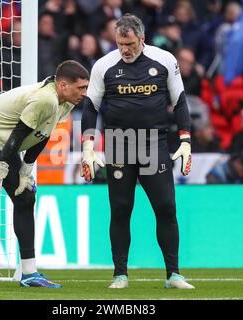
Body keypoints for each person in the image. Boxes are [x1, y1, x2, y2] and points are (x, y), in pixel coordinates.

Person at [79, 14, 194, 289]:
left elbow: (179, 102)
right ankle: (120, 275)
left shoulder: (165, 60)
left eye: (129, 43)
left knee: (166, 208)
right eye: (120, 43)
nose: (124, 49)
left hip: (154, 143)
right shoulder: (103, 65)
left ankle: (173, 275)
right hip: (119, 143)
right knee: (120, 210)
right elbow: (90, 107)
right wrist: (87, 147)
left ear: (142, 39)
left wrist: (186, 141)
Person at [0, 60, 89, 288]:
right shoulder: (44, 99)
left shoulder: (64, 102)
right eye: (81, 88)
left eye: (86, 88)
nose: (84, 93)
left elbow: (42, 134)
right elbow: (18, 135)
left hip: (3, 142)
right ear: (64, 85)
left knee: (25, 197)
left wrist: (27, 169)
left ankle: (29, 272)